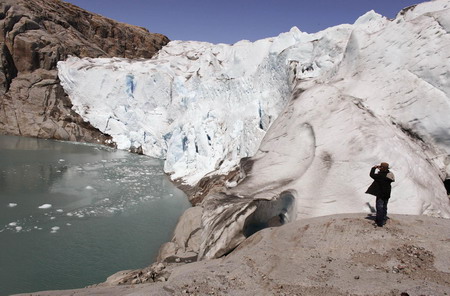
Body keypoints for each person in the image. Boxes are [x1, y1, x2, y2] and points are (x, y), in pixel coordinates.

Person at [365, 162, 395, 227]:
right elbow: (391, 177)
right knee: (384, 206)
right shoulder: (390, 174)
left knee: (379, 208)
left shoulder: (380, 176)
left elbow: (372, 175)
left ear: (382, 168)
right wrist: (381, 169)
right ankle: (384, 219)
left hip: (381, 194)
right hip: (387, 194)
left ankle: (379, 222)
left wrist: (374, 168)